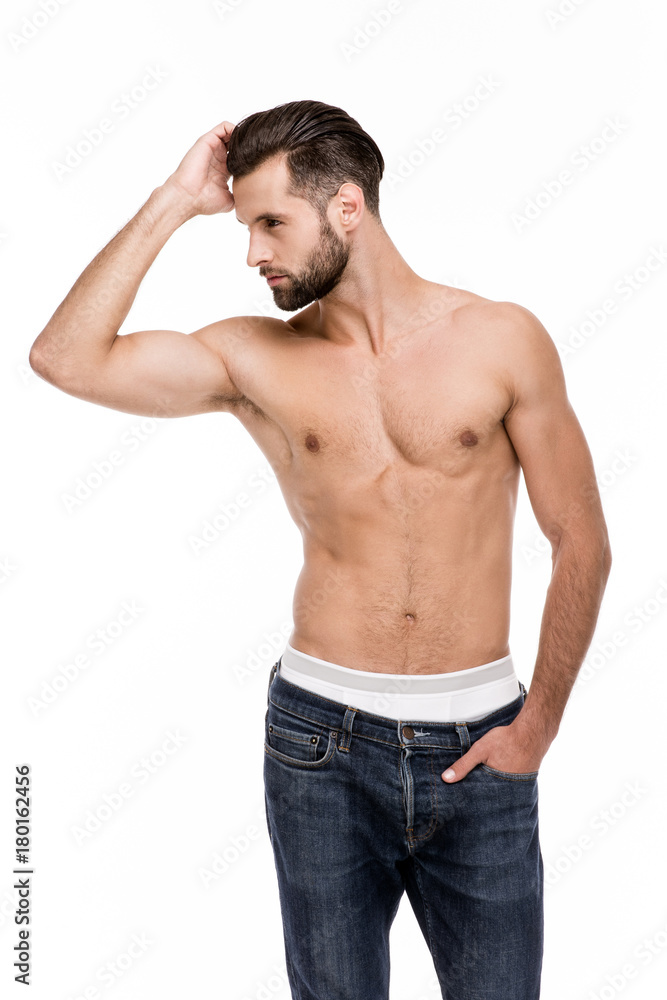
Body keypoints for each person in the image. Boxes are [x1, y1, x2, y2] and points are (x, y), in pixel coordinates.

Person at [29, 100, 612, 999]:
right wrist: (170, 202)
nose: (252, 252)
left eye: (270, 224)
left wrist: (538, 726)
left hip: (483, 737)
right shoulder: (252, 358)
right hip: (319, 745)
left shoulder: (500, 339)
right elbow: (65, 360)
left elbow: (580, 541)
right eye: (244, 227)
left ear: (347, 207)